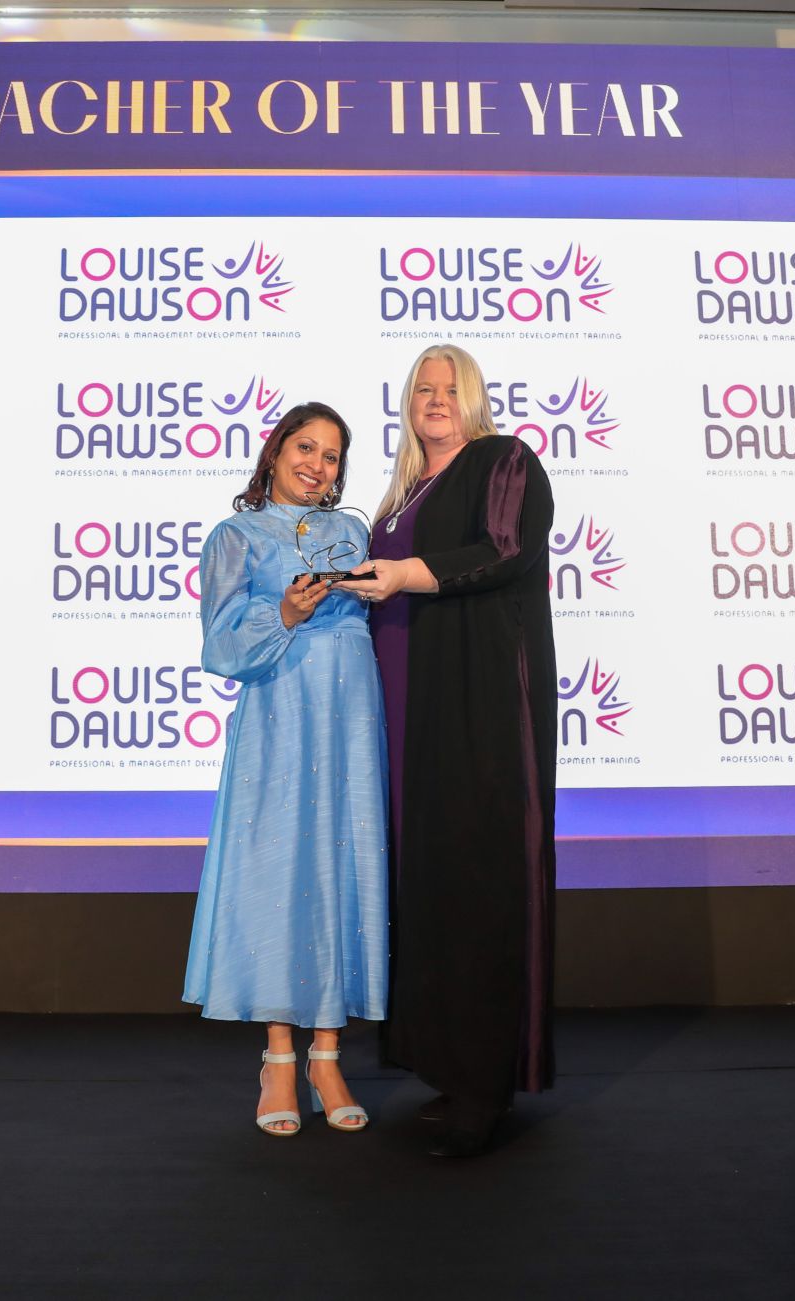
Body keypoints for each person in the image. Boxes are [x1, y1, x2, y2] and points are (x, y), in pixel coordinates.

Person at [338, 345, 557, 1158]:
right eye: (423, 389)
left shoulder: (503, 460)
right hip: (408, 715)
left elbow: (505, 550)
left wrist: (406, 575)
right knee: (427, 883)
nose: (436, 399)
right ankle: (444, 1064)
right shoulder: (400, 494)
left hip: (478, 708)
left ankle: (483, 1084)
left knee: (477, 877)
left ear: (474, 399)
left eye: (450, 387)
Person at [183, 401, 388, 1137]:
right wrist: (288, 616)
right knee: (281, 873)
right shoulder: (235, 536)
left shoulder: (357, 532)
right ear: (274, 452)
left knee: (343, 867)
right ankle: (278, 1058)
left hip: (353, 718)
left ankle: (328, 1055)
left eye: (333, 455)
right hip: (278, 715)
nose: (318, 465)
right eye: (306, 447)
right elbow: (220, 648)